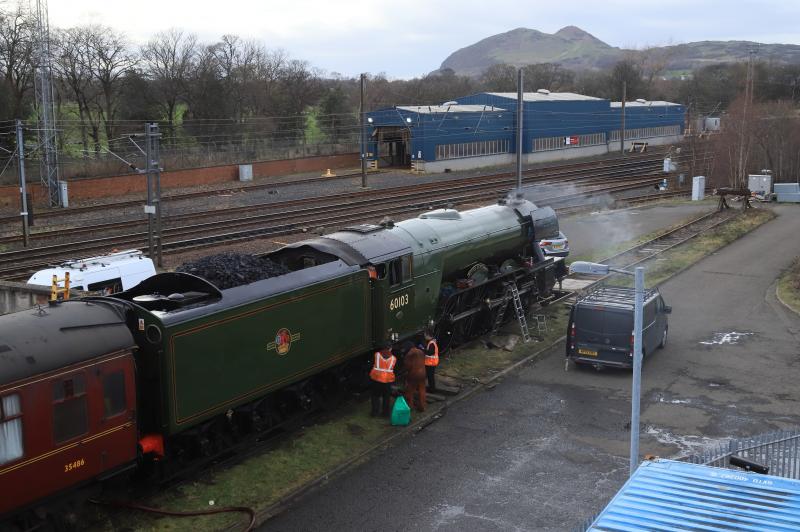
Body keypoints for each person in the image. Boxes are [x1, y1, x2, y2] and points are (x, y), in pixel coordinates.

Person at [369, 342, 396, 417]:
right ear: (390, 348)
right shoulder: (393, 358)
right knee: (386, 397)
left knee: (375, 396)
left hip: (376, 379)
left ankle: (374, 413)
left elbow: (371, 364)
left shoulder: (376, 355)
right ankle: (385, 414)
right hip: (387, 381)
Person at [402, 341, 427, 412]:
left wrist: (405, 372)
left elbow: (407, 366)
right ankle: (422, 407)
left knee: (410, 391)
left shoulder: (409, 354)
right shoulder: (421, 352)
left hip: (414, 375)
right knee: (422, 390)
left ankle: (410, 406)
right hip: (423, 373)